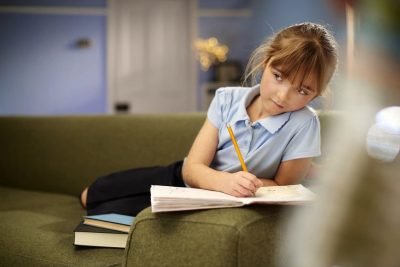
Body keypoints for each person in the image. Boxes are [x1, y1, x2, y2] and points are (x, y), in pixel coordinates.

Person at [80, 22, 338, 216]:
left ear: (318, 92)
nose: (283, 96)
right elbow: (192, 169)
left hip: (214, 199)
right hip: (178, 179)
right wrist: (223, 181)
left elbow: (284, 185)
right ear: (265, 62)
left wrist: (231, 186)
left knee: (106, 212)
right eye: (279, 76)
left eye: (303, 90)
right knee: (90, 195)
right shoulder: (226, 98)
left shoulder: (304, 123)